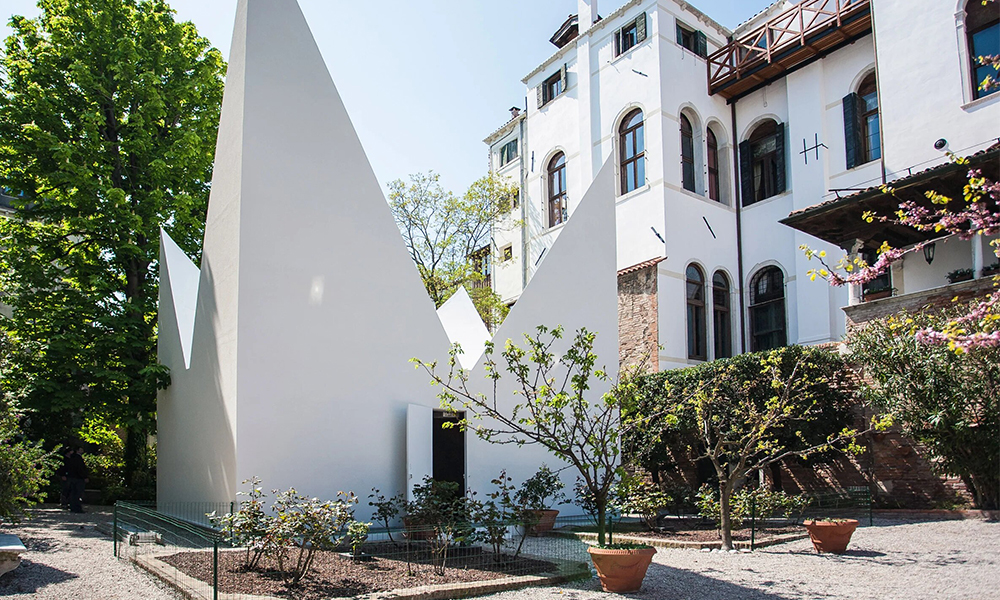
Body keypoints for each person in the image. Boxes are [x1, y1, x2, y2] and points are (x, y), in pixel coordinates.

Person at [64, 446, 88, 513]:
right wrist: (85, 477)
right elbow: (80, 469)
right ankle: (77, 508)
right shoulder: (78, 458)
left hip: (72, 477)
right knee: (77, 493)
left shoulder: (71, 458)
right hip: (78, 478)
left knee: (73, 493)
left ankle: (73, 507)